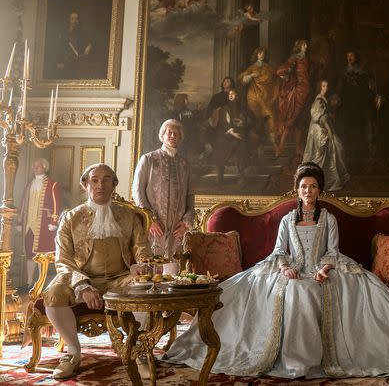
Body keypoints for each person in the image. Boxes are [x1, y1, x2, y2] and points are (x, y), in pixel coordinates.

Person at [164, 162, 389, 377]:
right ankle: (290, 358)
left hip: (323, 269)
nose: (308, 191)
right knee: (263, 290)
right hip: (291, 269)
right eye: (304, 186)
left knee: (368, 291)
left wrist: (325, 269)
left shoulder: (328, 219)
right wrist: (284, 269)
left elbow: (333, 251)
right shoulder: (286, 219)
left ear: (319, 191)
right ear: (298, 190)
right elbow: (279, 251)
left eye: (313, 187)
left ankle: (317, 358)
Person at [42, 163, 151, 379]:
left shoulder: (129, 216)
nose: (100, 184)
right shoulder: (70, 218)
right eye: (94, 180)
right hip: (80, 278)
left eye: (106, 180)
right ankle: (73, 353)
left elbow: (142, 248)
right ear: (85, 184)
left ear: (114, 185)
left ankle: (138, 350)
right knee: (53, 294)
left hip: (120, 279)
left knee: (146, 287)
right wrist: (82, 285)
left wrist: (141, 264)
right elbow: (63, 259)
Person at [132, 119, 195, 262]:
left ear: (180, 137)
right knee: (152, 271)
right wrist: (150, 220)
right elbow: (137, 192)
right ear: (162, 135)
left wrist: (186, 222)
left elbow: (190, 196)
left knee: (175, 273)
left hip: (177, 230)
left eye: (176, 134)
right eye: (170, 132)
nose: (173, 136)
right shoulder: (148, 159)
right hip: (154, 227)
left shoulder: (185, 165)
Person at [17, 158, 63, 290]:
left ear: (44, 167)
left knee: (42, 254)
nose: (35, 168)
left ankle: (40, 283)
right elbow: (23, 203)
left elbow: (56, 204)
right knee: (29, 254)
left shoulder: (52, 184)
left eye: (37, 166)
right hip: (29, 225)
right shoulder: (29, 184)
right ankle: (29, 282)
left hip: (44, 224)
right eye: (34, 166)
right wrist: (20, 221)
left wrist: (54, 221)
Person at [302, 81, 350, 191]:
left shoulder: (324, 100)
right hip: (319, 130)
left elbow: (326, 116)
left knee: (334, 149)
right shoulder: (318, 101)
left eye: (327, 86)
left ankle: (323, 180)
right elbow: (320, 118)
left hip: (322, 128)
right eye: (323, 86)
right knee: (324, 152)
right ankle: (317, 180)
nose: (326, 88)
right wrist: (330, 132)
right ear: (319, 87)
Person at [202, 89, 253, 185]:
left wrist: (243, 123)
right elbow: (223, 122)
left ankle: (241, 175)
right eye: (229, 94)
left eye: (233, 93)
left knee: (241, 147)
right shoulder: (223, 108)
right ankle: (220, 175)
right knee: (220, 146)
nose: (231, 95)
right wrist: (232, 132)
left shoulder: (242, 108)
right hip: (226, 133)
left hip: (240, 133)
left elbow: (250, 121)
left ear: (237, 95)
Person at [337, 50, 378, 158]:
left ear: (355, 57)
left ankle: (364, 152)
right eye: (348, 56)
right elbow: (340, 90)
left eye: (352, 55)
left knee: (362, 128)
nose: (350, 58)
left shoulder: (363, 72)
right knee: (349, 129)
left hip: (360, 104)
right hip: (348, 105)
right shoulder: (343, 72)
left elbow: (369, 88)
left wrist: (374, 95)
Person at [275, 39, 312, 158]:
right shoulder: (295, 58)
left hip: (307, 90)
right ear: (299, 46)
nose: (306, 46)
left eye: (306, 44)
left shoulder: (307, 59)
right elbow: (280, 71)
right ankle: (280, 147)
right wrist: (288, 73)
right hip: (299, 90)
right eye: (304, 44)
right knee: (291, 119)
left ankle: (297, 147)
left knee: (300, 120)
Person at [238, 46, 279, 152]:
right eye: (260, 53)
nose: (262, 55)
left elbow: (275, 80)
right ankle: (257, 148)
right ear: (256, 54)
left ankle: (276, 147)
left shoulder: (269, 68)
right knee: (258, 122)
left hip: (266, 98)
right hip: (254, 98)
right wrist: (251, 75)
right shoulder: (252, 67)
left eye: (263, 53)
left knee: (271, 121)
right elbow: (243, 80)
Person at [50, 11, 93, 79]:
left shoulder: (81, 32)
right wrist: (59, 61)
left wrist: (89, 46)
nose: (74, 21)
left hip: (76, 61)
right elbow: (59, 48)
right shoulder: (64, 32)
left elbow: (88, 42)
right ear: (69, 20)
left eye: (76, 19)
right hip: (64, 61)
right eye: (72, 19)